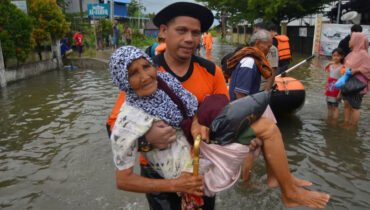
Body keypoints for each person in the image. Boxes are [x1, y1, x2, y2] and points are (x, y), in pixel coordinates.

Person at [110, 46, 331, 209]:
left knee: (265, 120)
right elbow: (123, 179)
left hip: (202, 151)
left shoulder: (172, 80)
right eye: (133, 73)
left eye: (146, 67)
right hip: (178, 176)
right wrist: (171, 179)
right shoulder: (128, 119)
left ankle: (284, 184)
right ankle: (287, 188)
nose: (145, 76)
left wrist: (198, 123)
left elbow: (192, 108)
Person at [106, 2, 229, 209]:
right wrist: (146, 139)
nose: (189, 38)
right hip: (157, 173)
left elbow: (225, 114)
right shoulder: (143, 73)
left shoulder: (211, 71)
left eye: (195, 33)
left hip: (199, 163)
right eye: (181, 30)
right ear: (164, 31)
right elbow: (113, 128)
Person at [341, 32, 370, 128]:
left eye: (351, 39)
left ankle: (353, 125)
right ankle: (346, 122)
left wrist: (356, 70)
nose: (349, 41)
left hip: (358, 85)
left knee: (355, 107)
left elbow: (368, 68)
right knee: (346, 104)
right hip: (348, 82)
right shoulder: (352, 54)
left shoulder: (364, 54)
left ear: (357, 41)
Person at [324, 48, 345, 121]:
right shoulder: (330, 66)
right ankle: (329, 120)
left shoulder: (342, 67)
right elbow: (328, 78)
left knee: (335, 107)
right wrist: (326, 88)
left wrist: (340, 93)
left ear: (342, 56)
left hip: (336, 90)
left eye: (338, 56)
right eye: (334, 55)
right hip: (329, 89)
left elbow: (342, 81)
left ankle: (334, 122)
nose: (335, 57)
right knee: (329, 106)